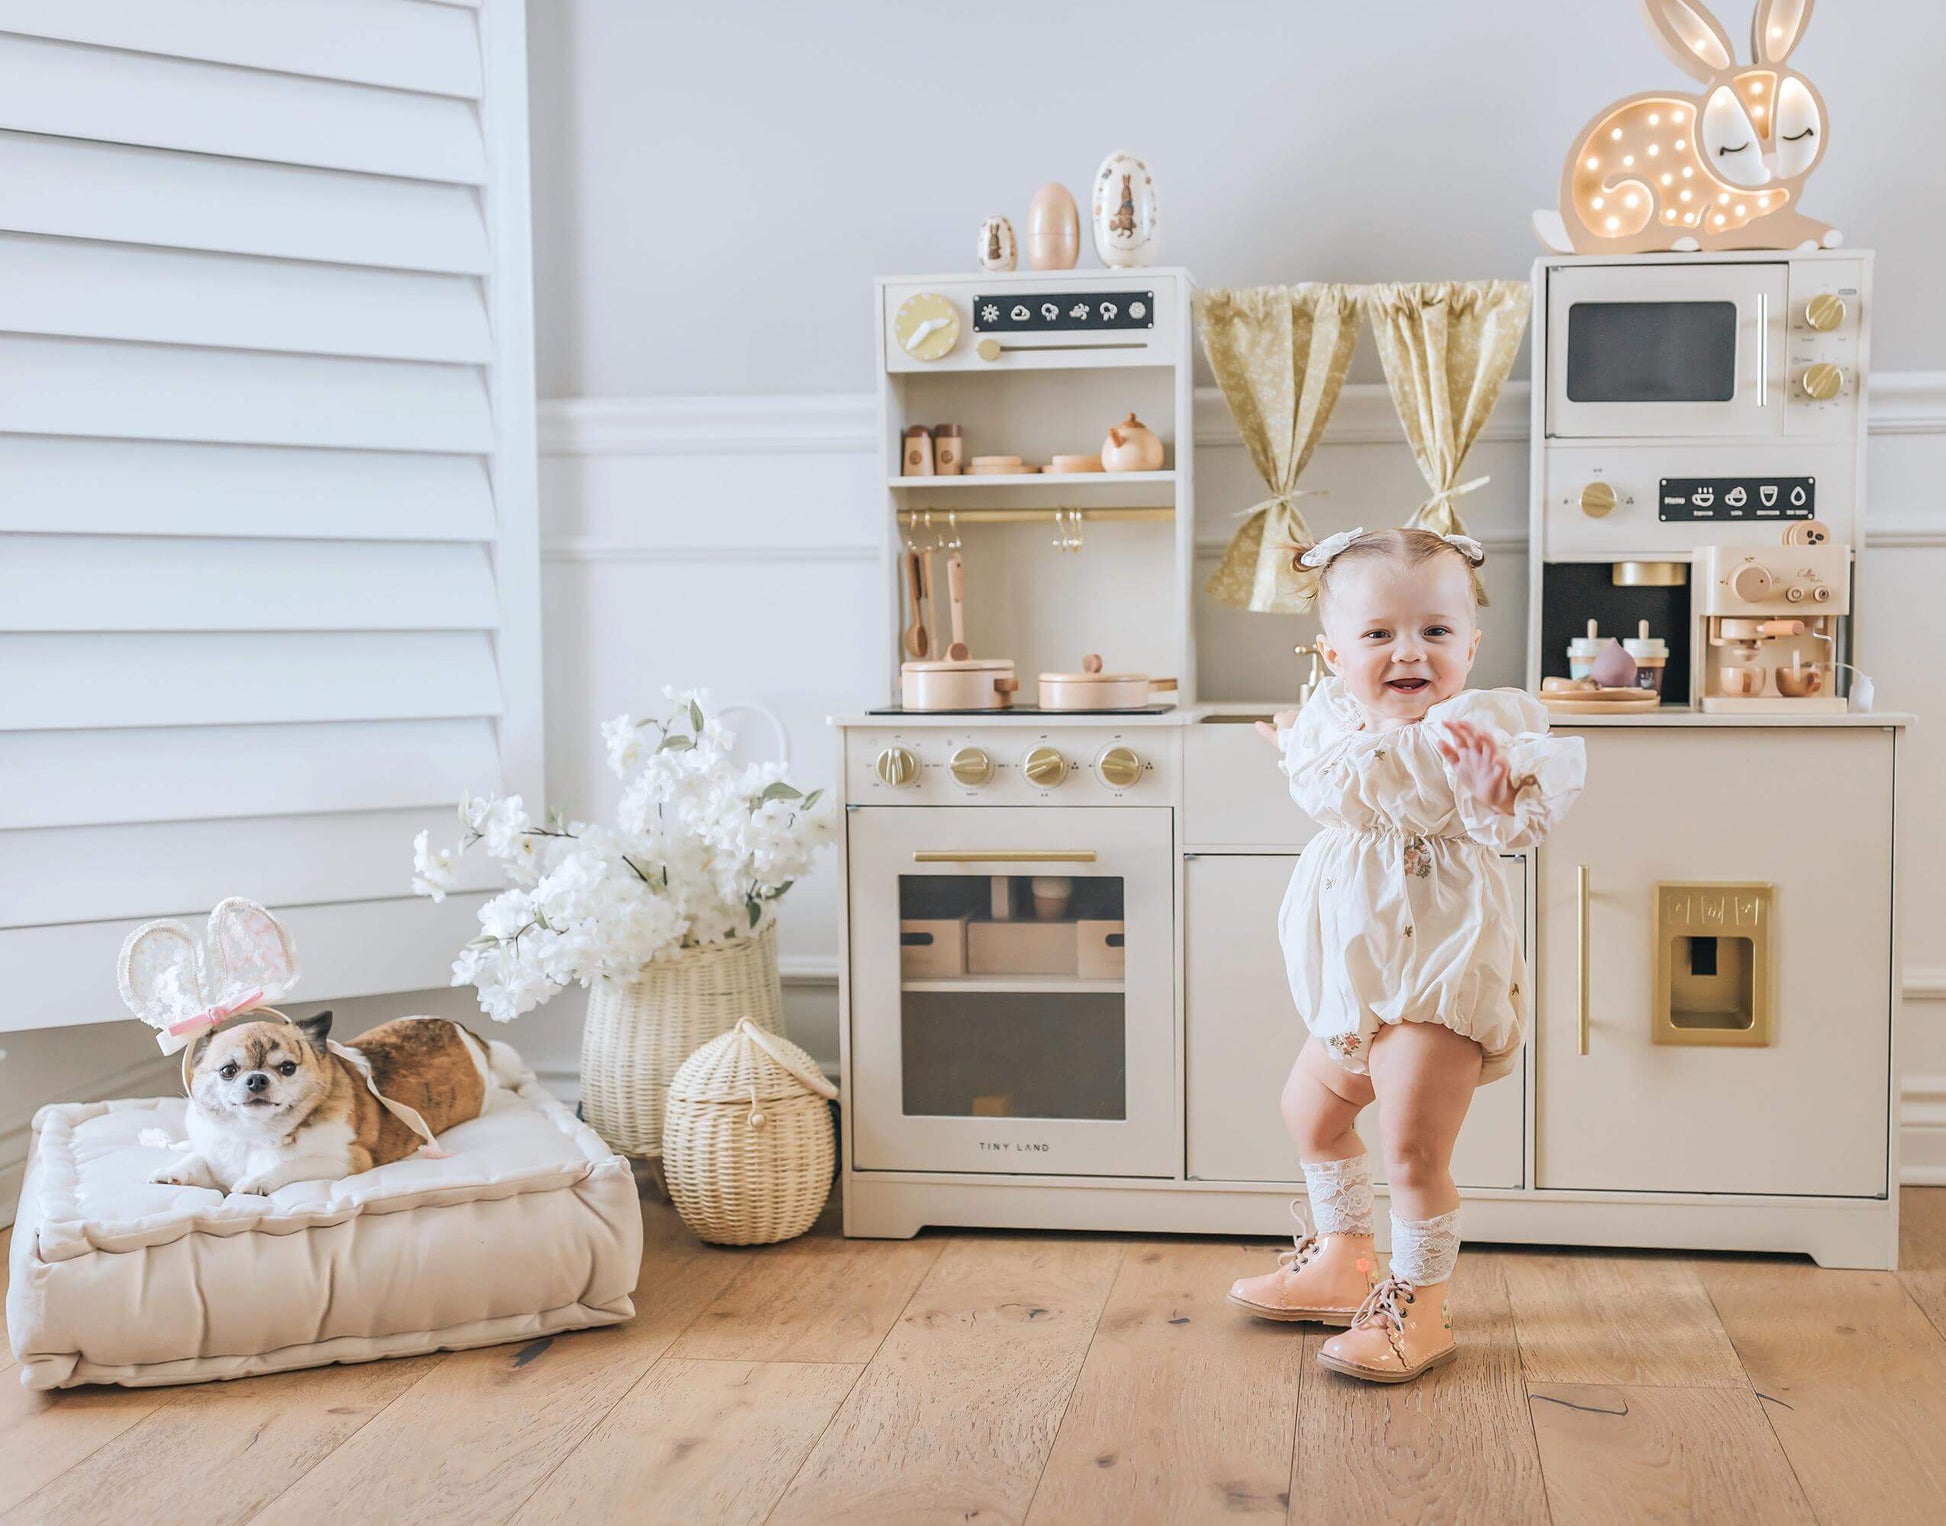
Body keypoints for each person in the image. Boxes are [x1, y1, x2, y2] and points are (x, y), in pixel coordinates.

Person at [1227, 526, 1585, 1383]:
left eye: (1434, 631)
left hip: (1439, 970)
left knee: (1414, 1154)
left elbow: (1522, 818)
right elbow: (1335, 772)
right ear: (1334, 653)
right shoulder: (1335, 721)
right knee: (1310, 1112)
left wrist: (1501, 791)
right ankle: (1341, 1263)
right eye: (1379, 635)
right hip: (1353, 978)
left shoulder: (1473, 729)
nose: (1409, 653)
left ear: (1471, 644)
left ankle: (1418, 1309)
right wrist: (1291, 743)